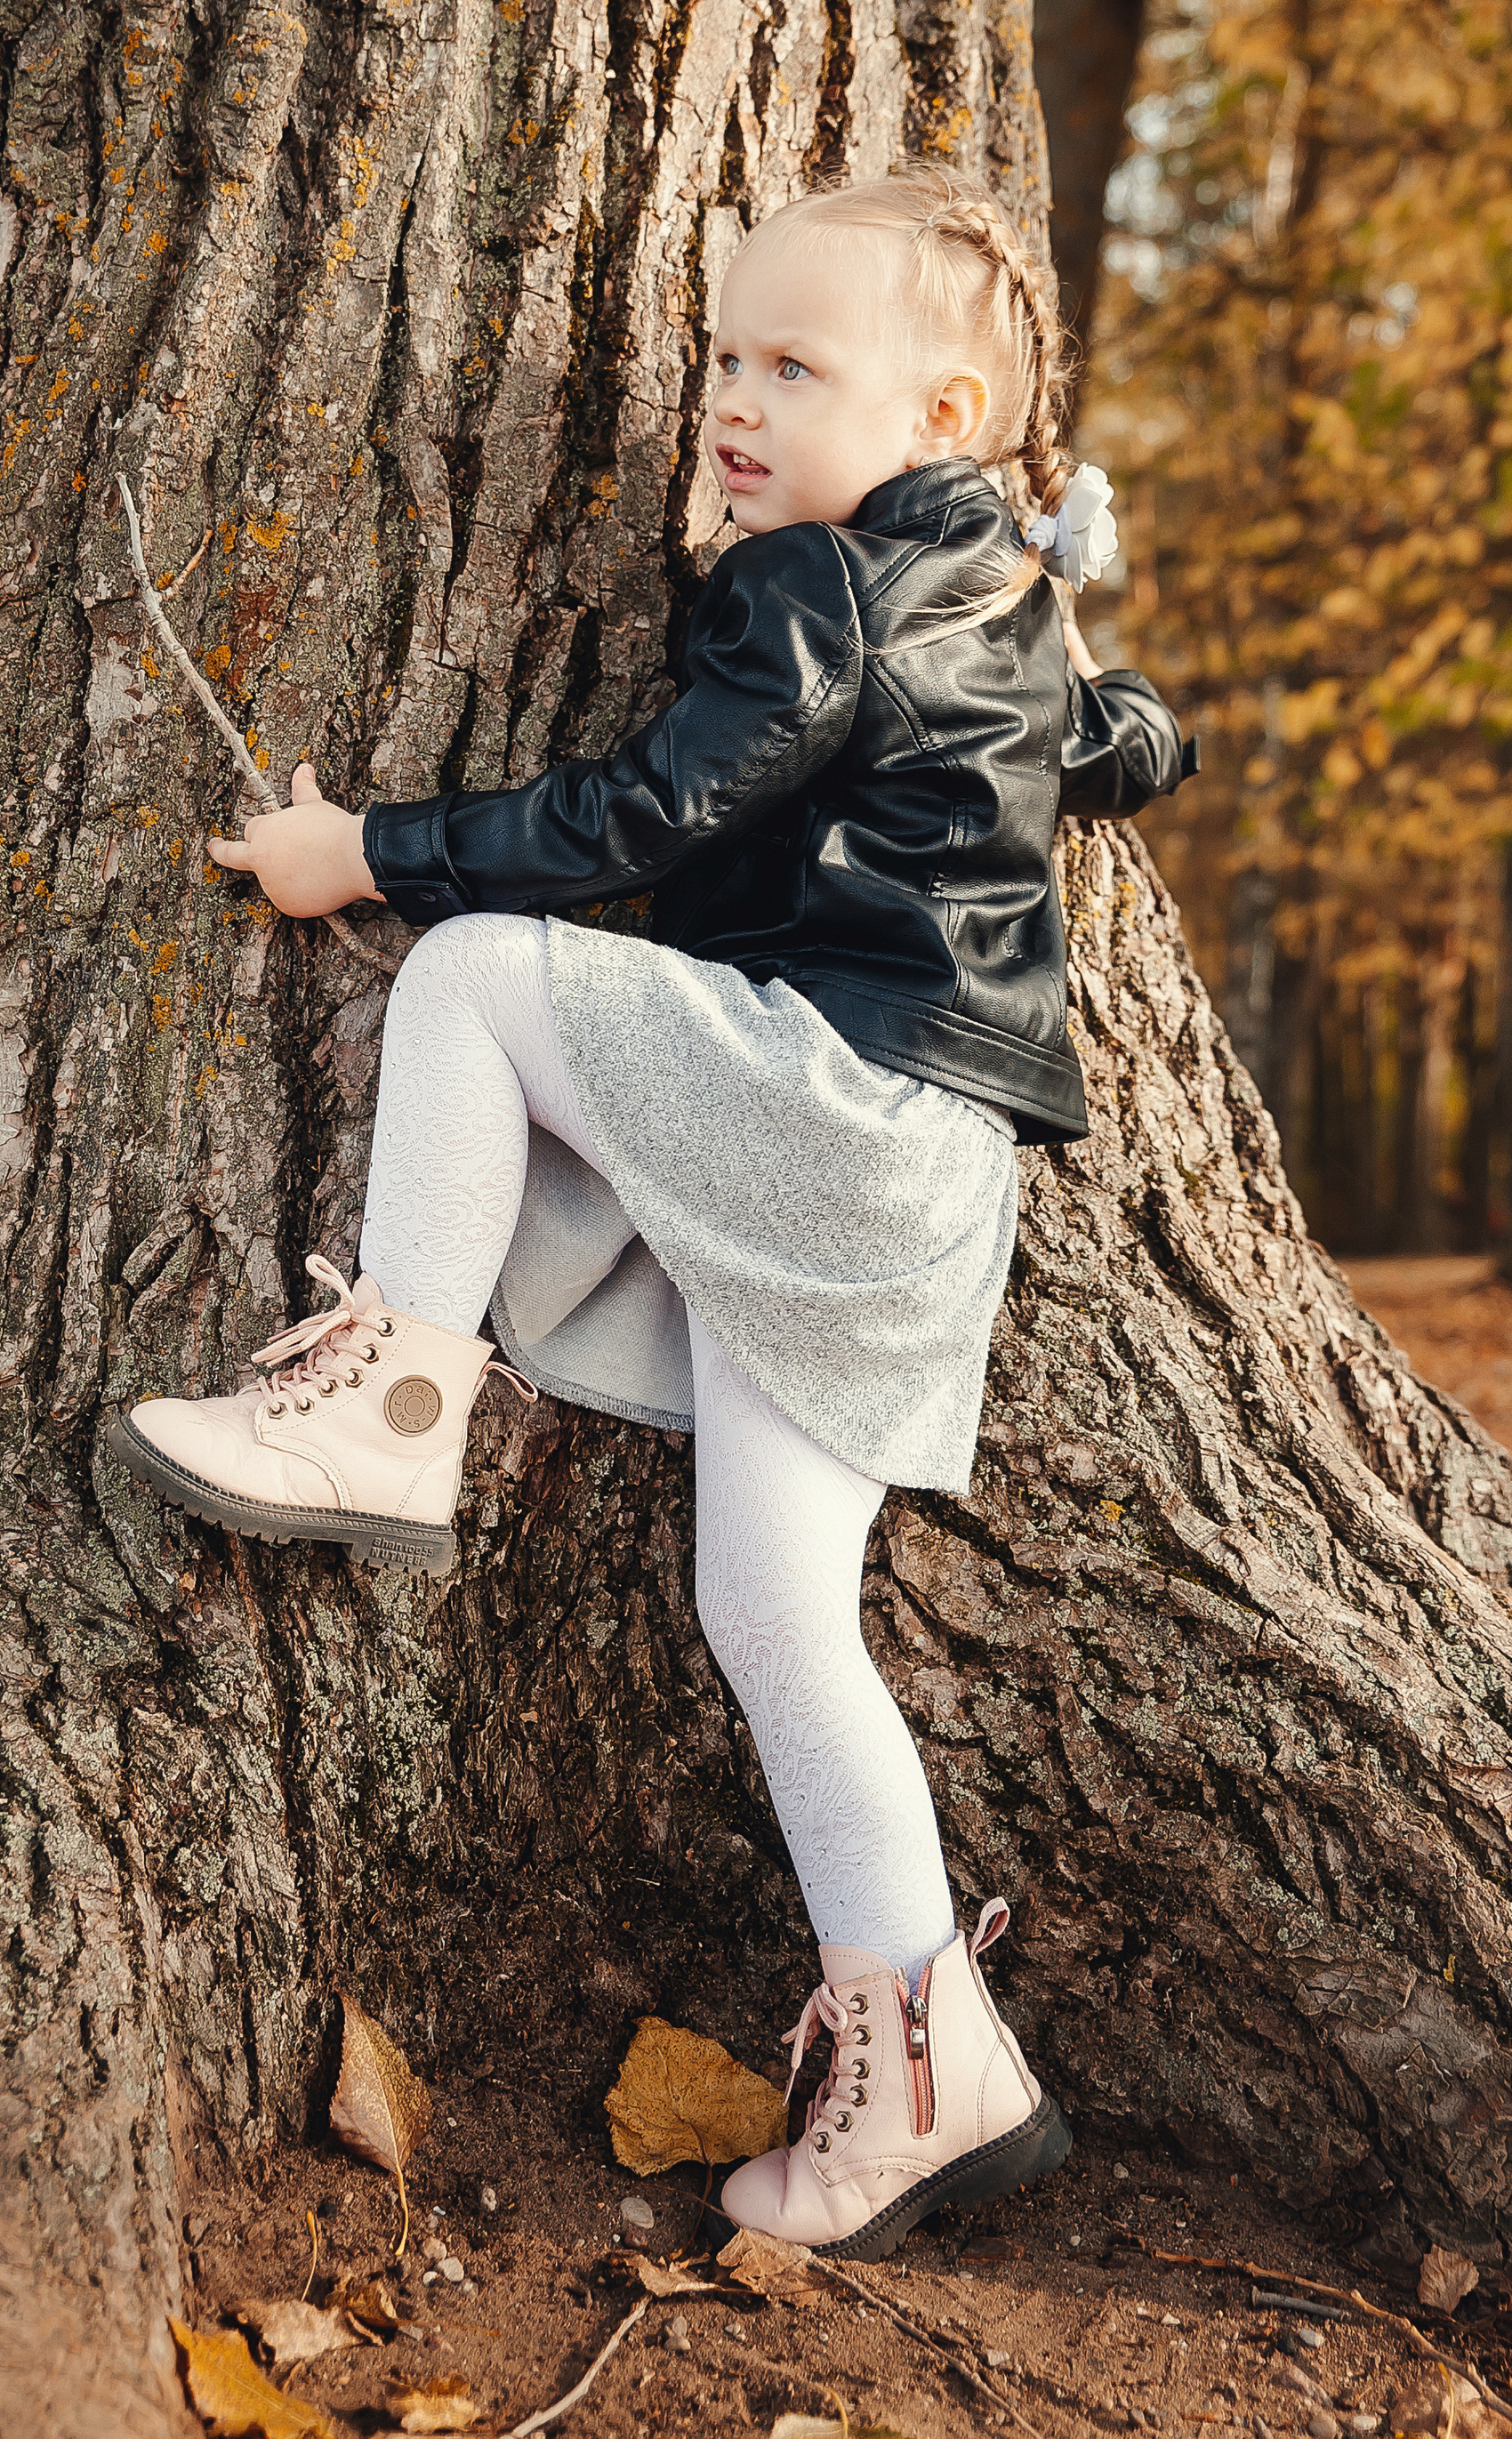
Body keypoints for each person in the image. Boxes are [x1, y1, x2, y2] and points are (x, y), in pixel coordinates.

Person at [109, 168, 1192, 2258]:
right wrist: (1118, 706)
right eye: (723, 355)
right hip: (928, 1179)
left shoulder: (823, 589)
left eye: (795, 364)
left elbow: (643, 815)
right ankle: (925, 2058)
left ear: (944, 416)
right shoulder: (1006, 617)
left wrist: (377, 849)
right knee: (774, 1609)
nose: (730, 398)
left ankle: (393, 1404)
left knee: (477, 975)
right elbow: (1120, 740)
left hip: (836, 1093)